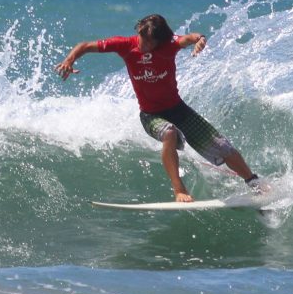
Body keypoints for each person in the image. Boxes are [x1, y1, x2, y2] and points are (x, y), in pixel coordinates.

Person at [55, 14, 263, 202]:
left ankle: (254, 183)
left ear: (160, 40)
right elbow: (85, 46)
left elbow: (190, 37)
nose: (143, 44)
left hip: (178, 109)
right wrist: (69, 60)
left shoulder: (169, 46)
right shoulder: (125, 45)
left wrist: (200, 40)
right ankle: (179, 190)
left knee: (224, 147)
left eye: (149, 41)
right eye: (141, 38)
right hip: (150, 115)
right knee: (169, 133)